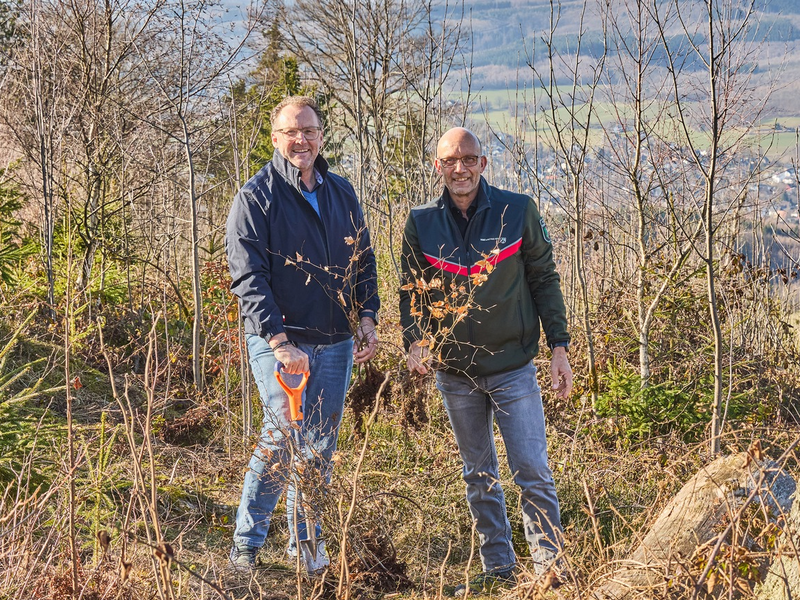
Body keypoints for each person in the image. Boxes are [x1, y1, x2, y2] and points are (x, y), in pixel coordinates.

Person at [399, 127, 572, 595]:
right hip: (455, 374)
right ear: (437, 166)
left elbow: (544, 278)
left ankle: (551, 569)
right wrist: (416, 340)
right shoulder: (421, 222)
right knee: (478, 476)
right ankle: (498, 567)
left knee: (532, 471)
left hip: (513, 367)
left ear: (483, 163)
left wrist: (559, 347)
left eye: (469, 159)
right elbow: (411, 291)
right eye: (450, 160)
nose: (460, 169)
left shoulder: (517, 211)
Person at [226, 95, 379, 573]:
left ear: (320, 136)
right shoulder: (257, 197)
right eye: (291, 132)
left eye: (309, 131)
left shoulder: (341, 192)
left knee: (319, 448)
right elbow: (248, 278)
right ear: (276, 139)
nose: (301, 140)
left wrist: (367, 318)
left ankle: (307, 549)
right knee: (282, 437)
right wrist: (279, 342)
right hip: (280, 341)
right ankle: (246, 546)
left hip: (335, 341)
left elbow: (363, 260)